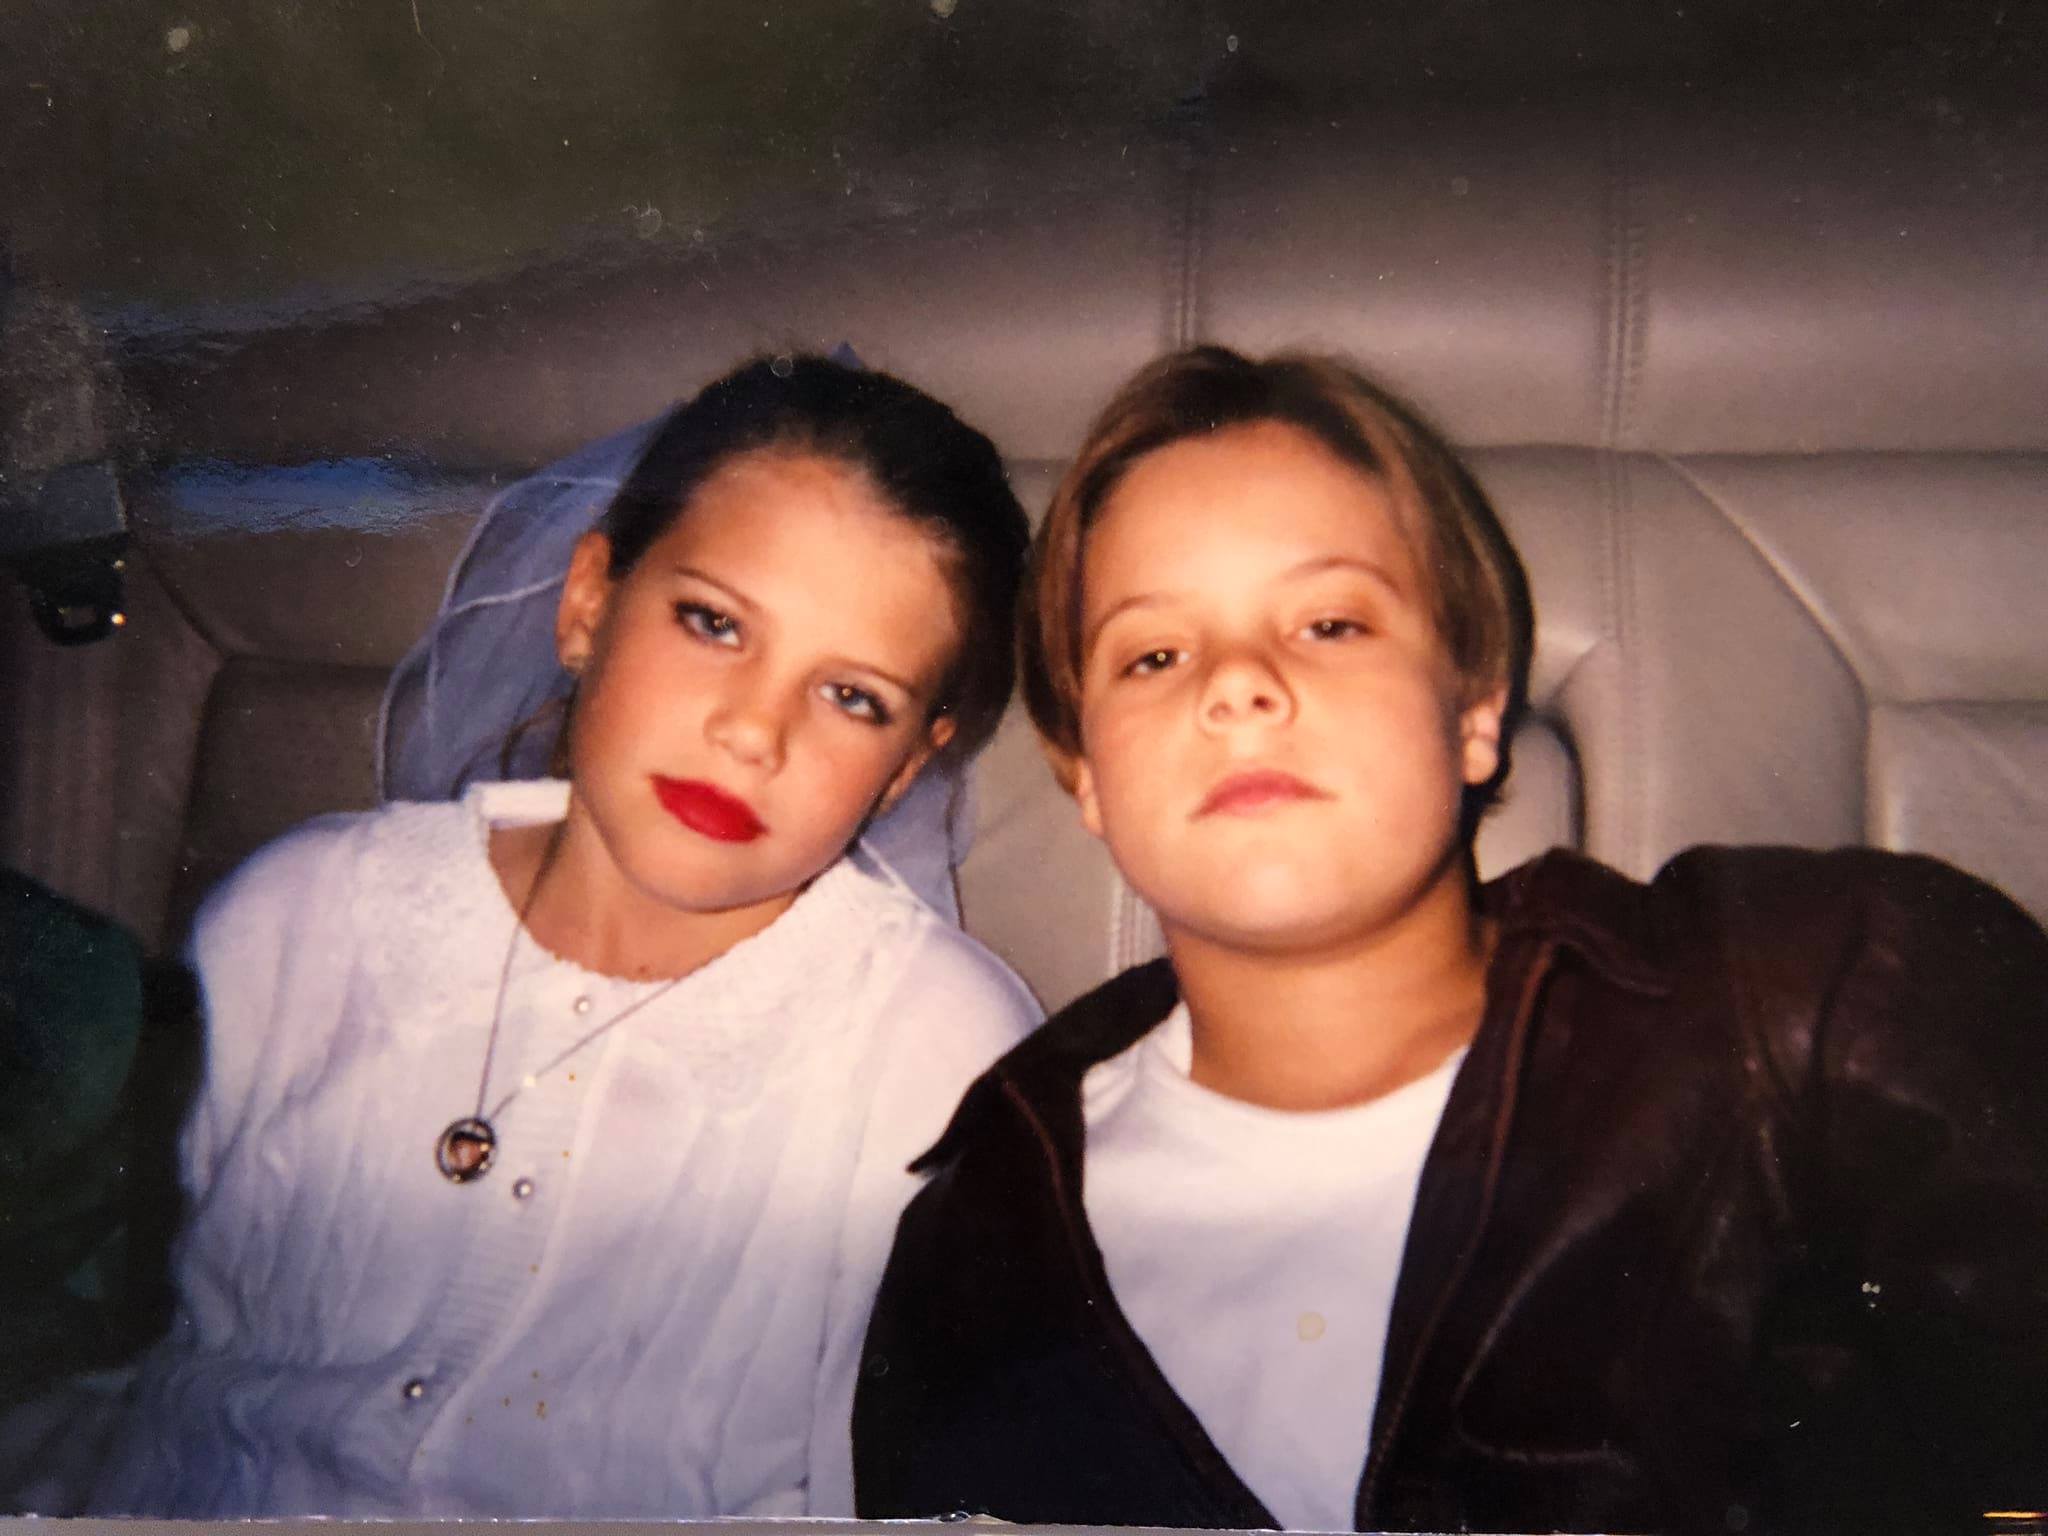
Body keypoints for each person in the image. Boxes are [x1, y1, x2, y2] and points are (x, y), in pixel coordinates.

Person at [852, 346, 2048, 1533]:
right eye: (1153, 655)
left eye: (1328, 623)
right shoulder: (978, 1237)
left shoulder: (1817, 1005)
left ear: (1474, 710)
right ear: (1085, 774)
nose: (1238, 685)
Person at [78, 353, 1041, 1517]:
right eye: (713, 623)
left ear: (903, 769)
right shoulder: (296, 920)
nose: (753, 732)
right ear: (587, 604)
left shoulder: (937, 1058)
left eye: (851, 697)